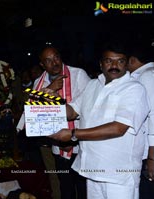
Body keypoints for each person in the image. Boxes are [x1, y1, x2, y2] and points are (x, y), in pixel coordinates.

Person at [49, 41, 150, 199]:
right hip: (92, 170)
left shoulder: (134, 89)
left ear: (127, 63)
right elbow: (72, 111)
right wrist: (54, 103)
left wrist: (74, 133)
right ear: (101, 63)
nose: (115, 65)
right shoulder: (93, 85)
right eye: (109, 61)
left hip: (118, 176)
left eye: (120, 61)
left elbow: (118, 128)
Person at [17, 46, 90, 199]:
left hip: (81, 144)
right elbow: (33, 114)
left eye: (56, 57)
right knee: (65, 187)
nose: (54, 63)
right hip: (57, 145)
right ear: (42, 65)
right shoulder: (39, 82)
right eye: (48, 61)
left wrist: (71, 136)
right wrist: (50, 89)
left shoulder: (78, 75)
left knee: (83, 189)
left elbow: (86, 108)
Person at [126, 42, 154, 199]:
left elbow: (153, 116)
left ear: (132, 60)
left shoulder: (147, 76)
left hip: (149, 152)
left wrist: (152, 157)